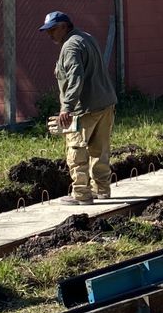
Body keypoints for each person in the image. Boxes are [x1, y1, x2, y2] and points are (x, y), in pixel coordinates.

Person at [39, 11, 117, 205]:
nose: (50, 35)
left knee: (76, 150)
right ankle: (102, 190)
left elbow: (76, 77)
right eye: (48, 31)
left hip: (84, 108)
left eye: (53, 29)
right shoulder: (86, 38)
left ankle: (81, 195)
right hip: (105, 103)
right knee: (100, 150)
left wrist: (66, 108)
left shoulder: (70, 46)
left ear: (65, 26)